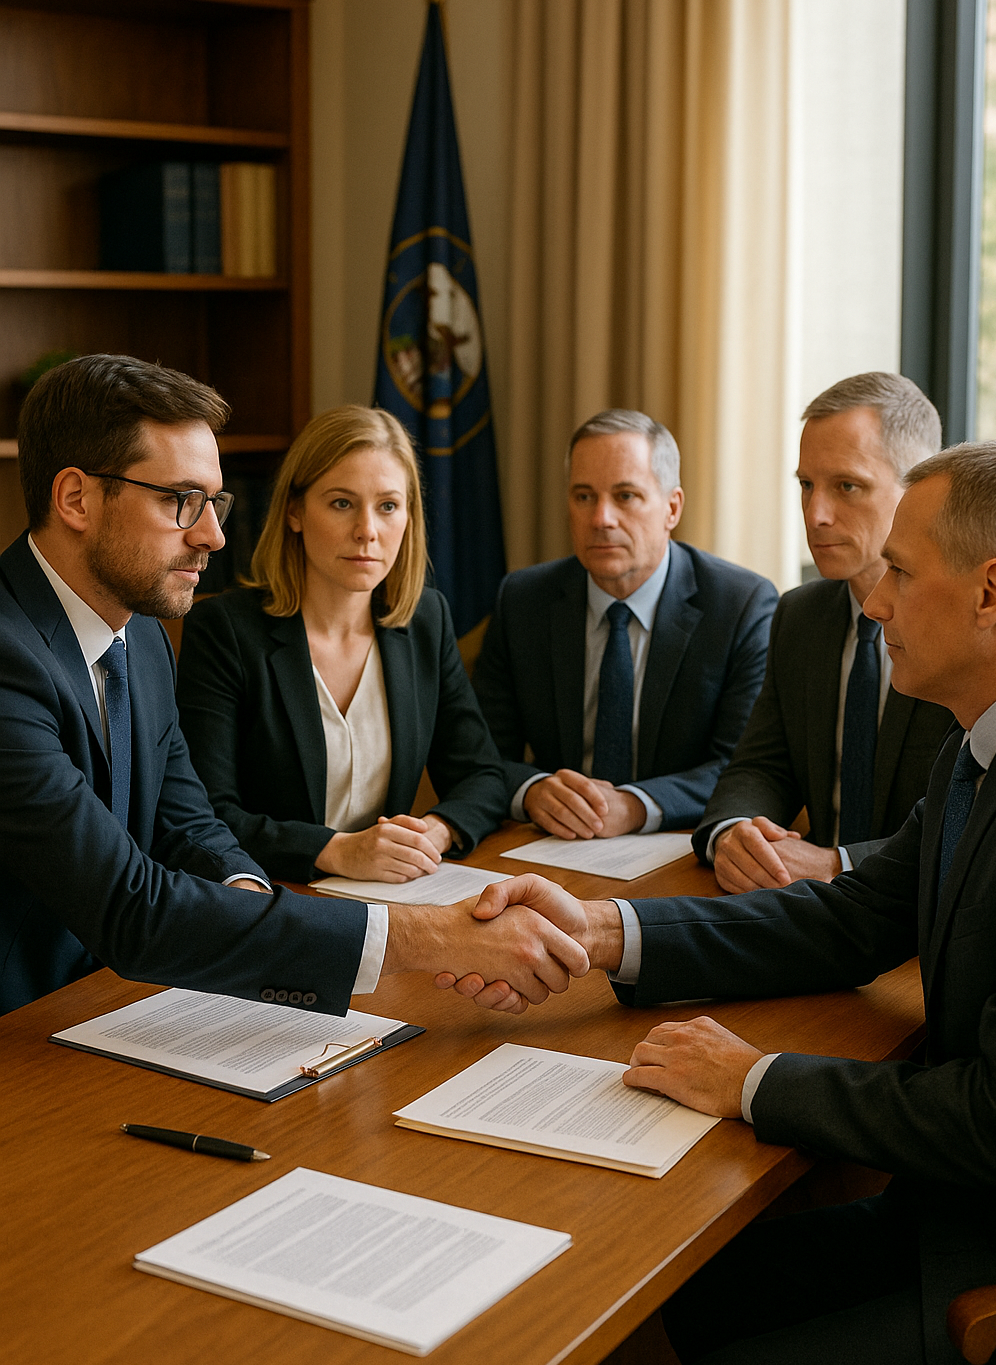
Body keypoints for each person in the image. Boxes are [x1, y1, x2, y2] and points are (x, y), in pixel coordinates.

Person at [459, 441, 996, 1365]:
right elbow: (845, 920)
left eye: (898, 571)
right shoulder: (973, 748)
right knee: (701, 1294)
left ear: (992, 591)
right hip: (948, 1210)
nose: (874, 600)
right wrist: (599, 932)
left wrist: (751, 1080)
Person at [0, 354, 587, 1018]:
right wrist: (431, 937)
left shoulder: (142, 640)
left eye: (212, 502)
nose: (214, 535)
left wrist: (248, 898)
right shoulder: (9, 660)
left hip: (113, 1004)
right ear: (76, 498)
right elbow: (131, 907)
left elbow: (187, 821)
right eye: (179, 501)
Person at [176, 406, 507, 885]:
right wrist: (336, 851)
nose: (367, 531)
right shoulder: (225, 630)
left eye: (388, 506)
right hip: (271, 897)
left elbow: (483, 776)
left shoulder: (425, 620)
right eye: (342, 503)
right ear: (294, 511)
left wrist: (432, 833)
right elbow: (204, 814)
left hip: (393, 899)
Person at [694, 372, 954, 892]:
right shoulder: (800, 614)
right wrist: (733, 833)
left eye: (847, 486)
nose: (816, 515)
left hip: (922, 926)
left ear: (916, 489)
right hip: (807, 910)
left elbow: (975, 824)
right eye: (806, 485)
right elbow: (762, 766)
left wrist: (839, 863)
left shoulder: (965, 627)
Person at [472, 410, 778, 839]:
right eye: (583, 497)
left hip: (676, 848)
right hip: (551, 846)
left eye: (626, 496)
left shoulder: (741, 605)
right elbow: (479, 754)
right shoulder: (523, 600)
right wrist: (531, 789)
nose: (601, 519)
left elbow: (743, 767)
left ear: (672, 508)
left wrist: (636, 806)